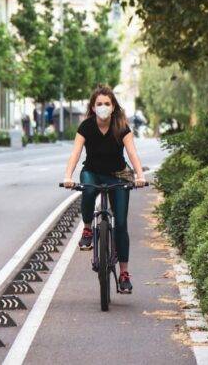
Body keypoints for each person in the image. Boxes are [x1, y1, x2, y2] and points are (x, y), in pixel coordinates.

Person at [62, 86, 146, 294]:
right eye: (99, 104)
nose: (103, 107)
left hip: (117, 176)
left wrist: (140, 176)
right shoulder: (86, 127)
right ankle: (88, 228)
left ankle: (124, 273)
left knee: (121, 225)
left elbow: (132, 154)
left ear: (113, 106)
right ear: (92, 107)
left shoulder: (121, 126)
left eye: (107, 104)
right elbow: (75, 154)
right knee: (88, 191)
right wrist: (68, 177)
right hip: (92, 173)